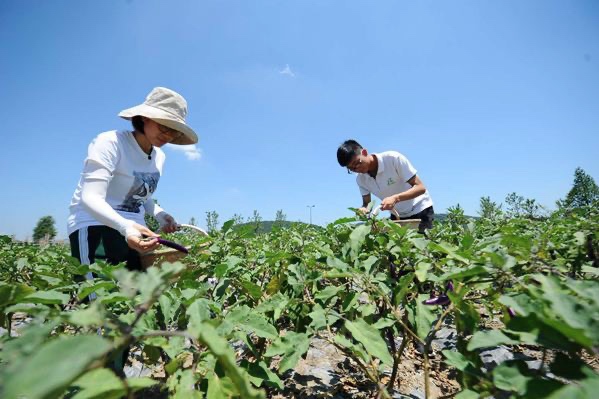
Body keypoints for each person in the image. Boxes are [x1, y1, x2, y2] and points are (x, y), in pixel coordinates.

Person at [67, 87, 199, 272]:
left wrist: (161, 216)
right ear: (145, 117)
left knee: (138, 298)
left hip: (136, 234)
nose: (168, 136)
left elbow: (139, 195)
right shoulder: (112, 142)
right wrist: (125, 226)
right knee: (98, 298)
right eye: (164, 127)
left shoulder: (159, 157)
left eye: (174, 132)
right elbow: (90, 197)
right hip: (96, 227)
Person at [337, 139, 434, 233]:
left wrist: (395, 198)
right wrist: (363, 209)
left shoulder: (393, 159)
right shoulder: (361, 180)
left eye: (357, 163)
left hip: (421, 210)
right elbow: (367, 203)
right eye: (351, 169)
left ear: (364, 152)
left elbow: (420, 188)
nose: (356, 169)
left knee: (423, 246)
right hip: (397, 216)